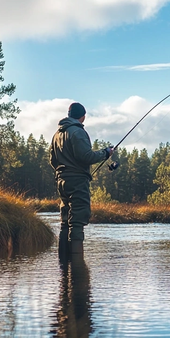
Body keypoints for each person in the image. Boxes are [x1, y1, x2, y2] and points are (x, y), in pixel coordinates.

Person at [50, 102, 113, 255]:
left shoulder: (57, 134)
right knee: (77, 222)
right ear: (83, 117)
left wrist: (63, 173)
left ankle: (64, 265)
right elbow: (86, 156)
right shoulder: (77, 132)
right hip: (77, 182)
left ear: (69, 114)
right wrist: (106, 153)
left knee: (65, 222)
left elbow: (52, 160)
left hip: (62, 182)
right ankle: (77, 266)